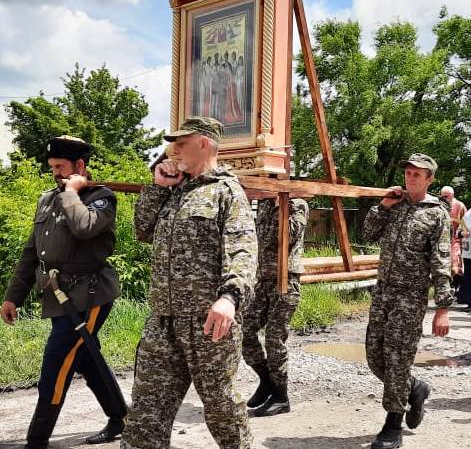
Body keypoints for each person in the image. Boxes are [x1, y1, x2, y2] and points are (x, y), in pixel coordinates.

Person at [122, 117, 257, 449]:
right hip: (163, 323)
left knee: (222, 411)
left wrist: (230, 296)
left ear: (204, 143)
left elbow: (242, 248)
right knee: (145, 415)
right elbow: (142, 230)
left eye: (181, 142)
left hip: (208, 324)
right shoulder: (173, 189)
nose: (174, 148)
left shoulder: (227, 191)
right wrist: (157, 186)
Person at [1, 136, 127, 448]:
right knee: (85, 357)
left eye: (61, 167)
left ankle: (36, 440)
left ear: (79, 166)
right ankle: (120, 417)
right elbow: (33, 253)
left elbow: (84, 227)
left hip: (91, 294)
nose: (55, 172)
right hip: (59, 297)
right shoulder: (46, 199)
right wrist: (13, 296)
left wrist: (72, 192)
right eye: (52, 167)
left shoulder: (102, 197)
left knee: (55, 365)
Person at [362, 153, 452, 449]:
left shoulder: (437, 213)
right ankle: (415, 387)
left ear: (430, 180)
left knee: (397, 358)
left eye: (418, 174)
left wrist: (442, 308)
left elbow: (441, 262)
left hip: (410, 298)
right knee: (374, 356)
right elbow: (368, 234)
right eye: (409, 172)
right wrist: (383, 206)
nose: (411, 177)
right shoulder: (394, 205)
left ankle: (392, 424)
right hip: (383, 293)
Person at [243, 197, 309, 416]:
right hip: (263, 280)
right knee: (244, 330)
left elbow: (288, 236)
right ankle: (267, 382)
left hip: (286, 281)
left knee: (274, 338)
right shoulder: (261, 203)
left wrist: (281, 203)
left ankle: (281, 397)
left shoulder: (297, 204)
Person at [440, 186, 466, 288]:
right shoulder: (439, 206)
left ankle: (456, 286)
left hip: (456, 239)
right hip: (441, 240)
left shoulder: (460, 206)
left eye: (446, 196)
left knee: (456, 263)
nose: (444, 198)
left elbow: (465, 224)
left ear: (452, 195)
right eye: (442, 196)